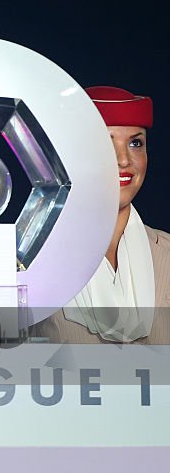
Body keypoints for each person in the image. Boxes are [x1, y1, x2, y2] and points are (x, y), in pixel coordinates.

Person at [37, 85, 170, 344]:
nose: (123, 160)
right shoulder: (32, 259)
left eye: (135, 143)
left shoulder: (167, 253)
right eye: (103, 143)